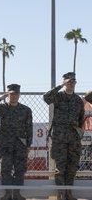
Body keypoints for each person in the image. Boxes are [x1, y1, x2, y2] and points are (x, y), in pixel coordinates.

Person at [43, 72, 84, 200]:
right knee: (60, 168)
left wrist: (78, 133)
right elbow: (46, 98)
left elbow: (81, 119)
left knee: (72, 166)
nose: (71, 84)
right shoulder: (58, 96)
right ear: (65, 82)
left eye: (73, 82)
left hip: (73, 138)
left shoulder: (78, 100)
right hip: (59, 137)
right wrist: (60, 86)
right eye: (69, 82)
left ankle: (69, 193)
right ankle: (61, 194)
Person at [0, 84, 32, 200]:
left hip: (20, 144)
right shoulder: (3, 108)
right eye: (11, 94)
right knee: (5, 168)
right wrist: (1, 98)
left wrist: (28, 144)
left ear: (19, 94)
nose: (14, 96)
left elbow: (29, 128)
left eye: (16, 94)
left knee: (20, 168)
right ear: (8, 94)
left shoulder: (25, 110)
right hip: (6, 144)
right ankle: (7, 193)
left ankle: (17, 193)